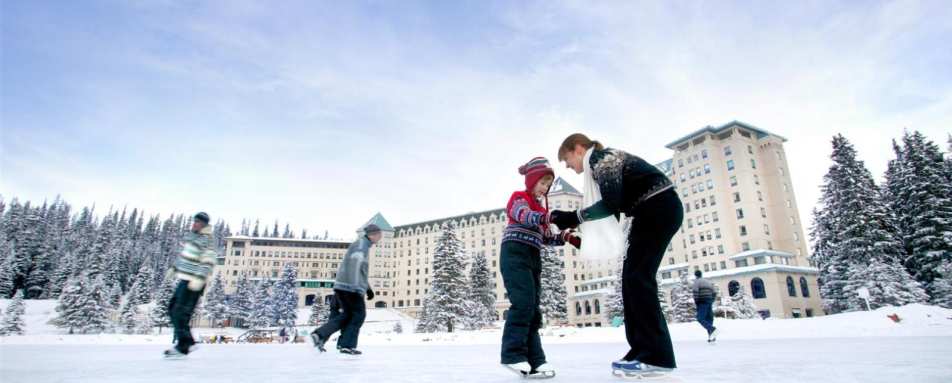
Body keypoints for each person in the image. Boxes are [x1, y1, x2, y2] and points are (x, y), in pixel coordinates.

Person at [549, 134, 683, 378]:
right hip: (650, 211)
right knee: (631, 280)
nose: (569, 167)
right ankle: (641, 349)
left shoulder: (603, 160)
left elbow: (611, 204)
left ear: (578, 149)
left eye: (566, 160)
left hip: (658, 208)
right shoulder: (601, 163)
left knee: (639, 279)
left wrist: (572, 216)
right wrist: (577, 234)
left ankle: (656, 356)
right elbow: (613, 218)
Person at [500, 157, 581, 378]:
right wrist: (550, 216)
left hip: (533, 256)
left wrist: (566, 237)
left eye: (548, 184)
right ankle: (512, 354)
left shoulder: (540, 209)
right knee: (523, 303)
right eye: (542, 182)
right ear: (532, 180)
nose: (545, 188)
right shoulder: (520, 198)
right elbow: (523, 216)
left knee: (533, 310)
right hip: (514, 252)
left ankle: (536, 361)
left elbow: (547, 237)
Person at [310, 224, 382, 355]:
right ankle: (345, 345)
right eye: (379, 234)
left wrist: (368, 288)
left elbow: (362, 271)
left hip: (345, 286)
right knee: (358, 315)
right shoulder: (362, 245)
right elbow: (355, 265)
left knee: (348, 315)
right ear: (373, 234)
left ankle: (321, 335)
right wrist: (355, 286)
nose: (380, 237)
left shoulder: (362, 245)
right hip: (350, 287)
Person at [164, 212, 218, 358]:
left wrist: (199, 278)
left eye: (198, 222)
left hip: (195, 281)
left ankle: (184, 345)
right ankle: (187, 342)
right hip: (185, 278)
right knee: (172, 308)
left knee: (180, 312)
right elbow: (185, 257)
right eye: (194, 221)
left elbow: (208, 260)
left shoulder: (207, 240)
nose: (194, 224)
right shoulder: (193, 238)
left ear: (204, 225)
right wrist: (174, 268)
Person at [692, 270, 718, 342]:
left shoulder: (696, 282)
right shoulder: (708, 282)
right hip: (709, 301)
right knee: (709, 319)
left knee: (700, 318)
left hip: (702, 302)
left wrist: (697, 302)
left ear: (696, 275)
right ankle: (712, 337)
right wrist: (711, 300)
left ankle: (712, 329)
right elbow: (714, 292)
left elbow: (695, 292)